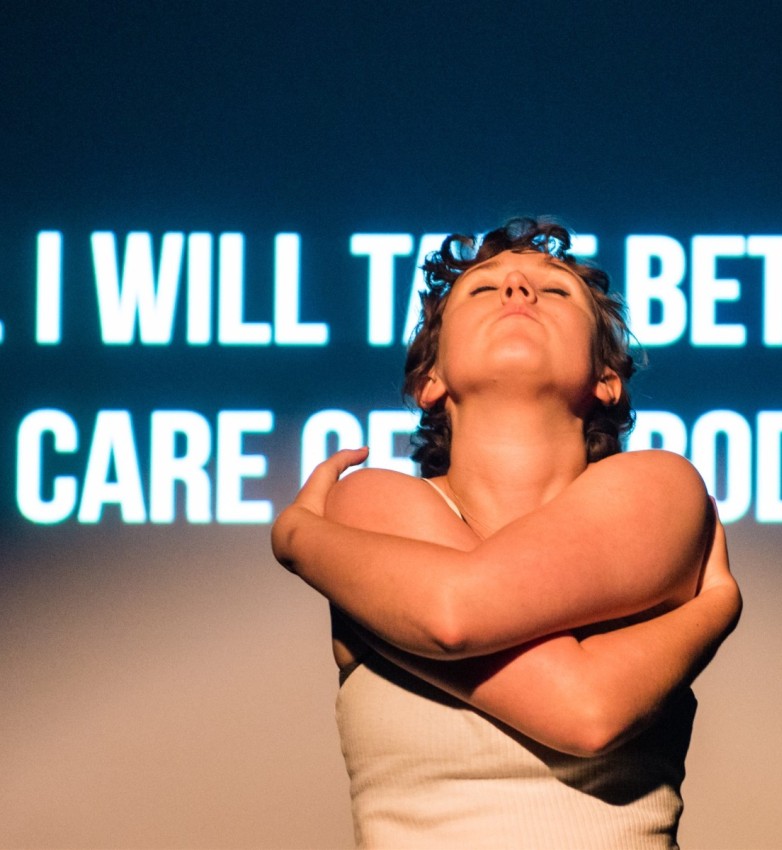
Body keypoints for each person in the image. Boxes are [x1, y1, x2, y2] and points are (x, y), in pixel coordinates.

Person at [272, 218, 742, 849]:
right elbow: (461, 621)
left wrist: (300, 539)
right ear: (429, 381)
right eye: (482, 288)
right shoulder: (372, 502)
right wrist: (712, 608)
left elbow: (584, 714)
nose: (519, 286)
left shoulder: (661, 488)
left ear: (608, 377)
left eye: (555, 291)